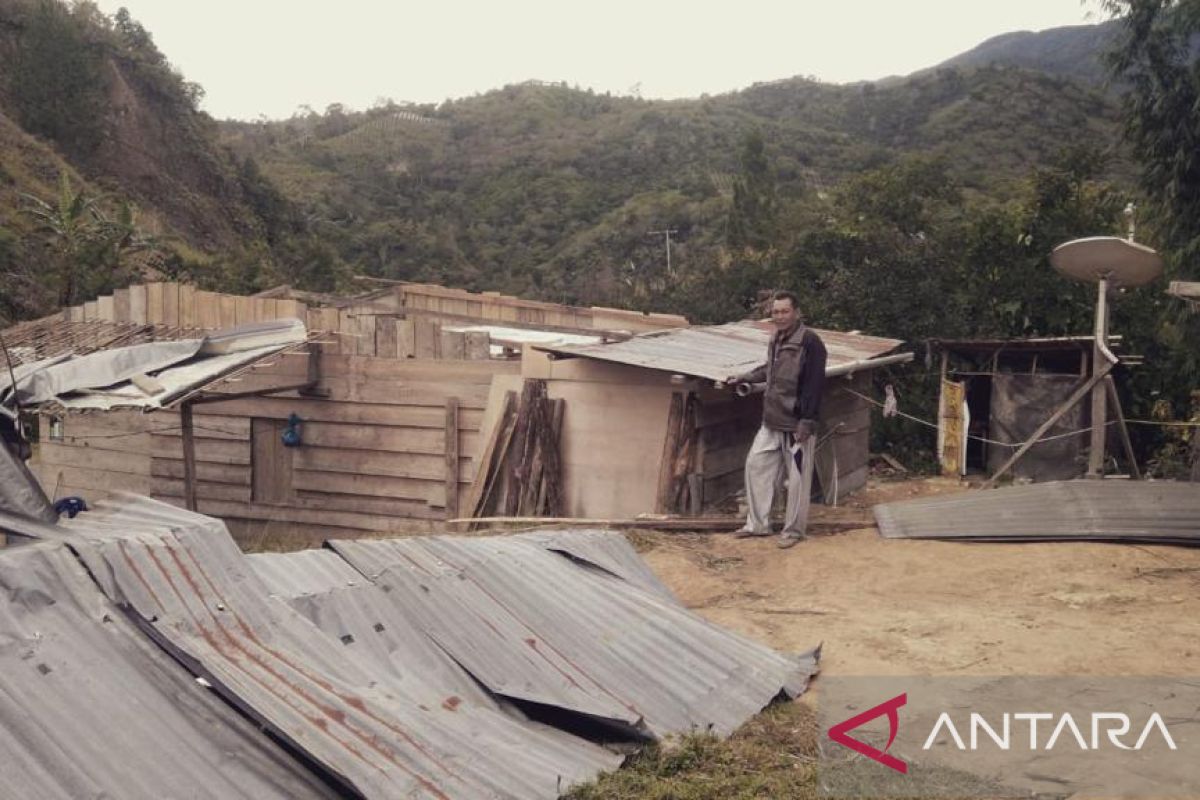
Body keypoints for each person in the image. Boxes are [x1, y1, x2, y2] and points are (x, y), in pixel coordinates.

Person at [728, 290, 827, 548]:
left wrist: (807, 421)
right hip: (772, 421)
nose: (780, 316)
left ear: (796, 313)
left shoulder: (810, 342)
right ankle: (758, 525)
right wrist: (747, 377)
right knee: (755, 465)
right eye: (775, 312)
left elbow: (815, 384)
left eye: (785, 311)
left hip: (797, 424)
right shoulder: (776, 339)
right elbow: (769, 371)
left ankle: (793, 531)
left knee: (796, 481)